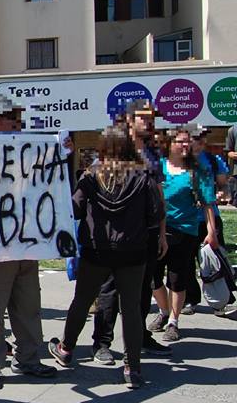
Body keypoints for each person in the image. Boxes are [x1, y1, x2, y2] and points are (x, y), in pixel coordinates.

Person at [48, 128, 164, 388]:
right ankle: (132, 368)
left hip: (96, 251)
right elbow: (155, 215)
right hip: (133, 252)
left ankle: (66, 349)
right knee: (132, 309)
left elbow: (75, 210)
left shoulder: (91, 176)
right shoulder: (143, 175)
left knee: (82, 301)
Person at [0, 97, 58, 389]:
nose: (16, 123)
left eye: (16, 118)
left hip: (27, 241)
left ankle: (28, 359)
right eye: (9, 118)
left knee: (28, 305)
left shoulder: (29, 149)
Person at [90, 101, 172, 360]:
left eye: (151, 119)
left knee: (143, 289)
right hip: (116, 236)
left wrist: (161, 233)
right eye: (143, 118)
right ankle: (101, 343)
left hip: (145, 234)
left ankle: (140, 337)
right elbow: (96, 186)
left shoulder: (151, 154)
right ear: (128, 120)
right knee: (110, 291)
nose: (148, 123)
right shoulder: (114, 150)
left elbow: (159, 197)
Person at [147, 126, 218, 342]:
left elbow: (207, 203)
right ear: (170, 144)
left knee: (177, 278)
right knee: (152, 277)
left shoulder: (198, 170)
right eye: (180, 141)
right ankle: (164, 311)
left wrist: (211, 231)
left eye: (188, 141)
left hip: (184, 231)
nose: (185, 145)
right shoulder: (157, 167)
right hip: (155, 230)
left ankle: (173, 322)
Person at [186, 127, 235, 317]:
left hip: (210, 218)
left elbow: (223, 185)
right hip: (187, 220)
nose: (197, 142)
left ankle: (222, 300)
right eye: (194, 139)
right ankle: (190, 299)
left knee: (217, 261)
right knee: (186, 264)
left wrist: (222, 193)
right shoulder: (177, 163)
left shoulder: (214, 161)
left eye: (200, 139)